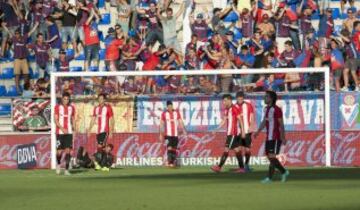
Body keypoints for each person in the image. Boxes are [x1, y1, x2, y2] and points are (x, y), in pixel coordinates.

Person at [254, 91, 289, 183]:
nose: (264, 98)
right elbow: (265, 122)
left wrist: (283, 137)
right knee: (271, 157)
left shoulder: (276, 109)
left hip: (275, 137)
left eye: (266, 97)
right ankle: (283, 172)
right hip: (269, 137)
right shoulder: (266, 109)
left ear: (271, 99)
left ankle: (270, 177)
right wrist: (257, 131)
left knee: (272, 157)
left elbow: (281, 124)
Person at [211, 94, 246, 173]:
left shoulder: (234, 108)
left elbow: (240, 120)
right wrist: (217, 129)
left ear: (230, 100)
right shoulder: (227, 109)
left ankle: (219, 167)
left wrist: (243, 131)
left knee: (226, 149)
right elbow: (224, 120)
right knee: (237, 150)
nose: (224, 102)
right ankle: (242, 168)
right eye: (223, 101)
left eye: (225, 100)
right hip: (230, 133)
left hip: (233, 133)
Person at [2, 23, 38, 93]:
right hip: (17, 59)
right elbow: (9, 31)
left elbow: (31, 32)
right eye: (16, 33)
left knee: (26, 74)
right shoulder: (14, 38)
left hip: (24, 59)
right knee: (17, 74)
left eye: (18, 33)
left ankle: (26, 88)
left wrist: (36, 25)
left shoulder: (24, 37)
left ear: (20, 34)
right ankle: (17, 88)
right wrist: (4, 26)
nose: (17, 34)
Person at [87, 93, 114, 170]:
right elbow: (93, 119)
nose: (100, 100)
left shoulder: (108, 108)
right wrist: (89, 129)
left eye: (102, 99)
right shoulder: (96, 108)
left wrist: (111, 131)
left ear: (104, 100)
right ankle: (104, 165)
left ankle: (99, 164)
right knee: (101, 148)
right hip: (98, 131)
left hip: (105, 130)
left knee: (100, 146)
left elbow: (112, 119)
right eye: (99, 99)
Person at [159, 101, 187, 168]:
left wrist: (184, 130)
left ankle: (172, 162)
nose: (170, 107)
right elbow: (162, 124)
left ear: (172, 106)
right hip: (168, 134)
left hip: (175, 134)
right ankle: (170, 162)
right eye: (169, 106)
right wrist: (161, 134)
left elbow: (180, 121)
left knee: (174, 148)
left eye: (171, 106)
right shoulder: (164, 113)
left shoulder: (176, 113)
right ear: (167, 107)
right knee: (169, 147)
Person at [54, 92, 76, 175]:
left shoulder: (72, 108)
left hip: (69, 133)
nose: (66, 100)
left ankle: (66, 169)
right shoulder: (57, 107)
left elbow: (73, 119)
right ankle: (58, 164)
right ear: (62, 99)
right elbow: (55, 120)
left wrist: (74, 130)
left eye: (67, 99)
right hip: (60, 132)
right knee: (59, 152)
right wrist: (62, 128)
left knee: (68, 151)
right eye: (64, 99)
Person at [235, 92, 254, 172]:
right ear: (236, 98)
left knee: (247, 149)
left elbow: (252, 116)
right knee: (237, 149)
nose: (240, 100)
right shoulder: (234, 107)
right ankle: (241, 167)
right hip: (238, 132)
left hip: (247, 130)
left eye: (241, 99)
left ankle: (246, 165)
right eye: (238, 99)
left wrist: (251, 126)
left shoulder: (248, 105)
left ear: (243, 98)